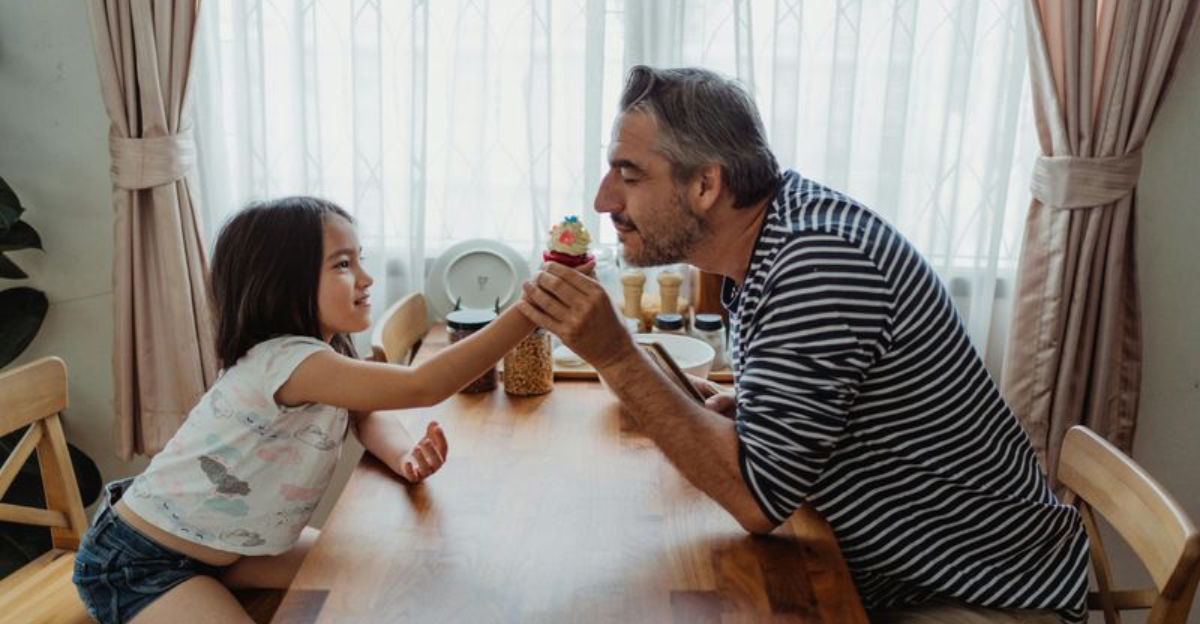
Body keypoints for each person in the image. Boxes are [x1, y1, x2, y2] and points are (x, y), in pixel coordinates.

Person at [518, 66, 1090, 623]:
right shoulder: (778, 238)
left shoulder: (813, 266)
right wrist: (756, 415)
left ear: (706, 184)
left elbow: (757, 501)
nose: (603, 200)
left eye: (629, 173)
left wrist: (615, 353)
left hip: (981, 596)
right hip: (906, 573)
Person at [72, 197, 543, 624]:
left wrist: (403, 456)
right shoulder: (291, 360)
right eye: (343, 264)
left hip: (235, 551)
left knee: (384, 576)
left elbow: (364, 414)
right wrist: (529, 311)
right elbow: (424, 385)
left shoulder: (326, 348)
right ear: (282, 283)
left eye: (360, 258)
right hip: (139, 563)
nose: (365, 277)